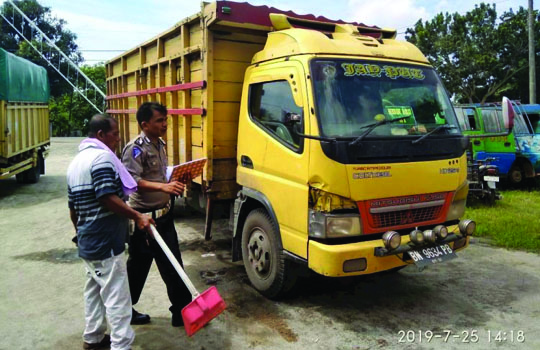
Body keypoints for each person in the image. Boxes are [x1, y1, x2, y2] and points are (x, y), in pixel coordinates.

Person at [67, 115, 154, 350]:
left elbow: (72, 208)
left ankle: (93, 339)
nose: (118, 138)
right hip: (104, 241)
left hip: (89, 240)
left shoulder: (76, 162)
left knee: (94, 291)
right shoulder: (102, 158)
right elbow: (106, 197)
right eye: (115, 134)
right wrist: (137, 216)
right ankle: (121, 345)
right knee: (117, 296)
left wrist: (80, 234)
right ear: (100, 135)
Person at [121, 102, 192, 327]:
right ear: (145, 124)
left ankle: (182, 312)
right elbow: (130, 182)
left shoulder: (160, 144)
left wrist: (174, 180)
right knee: (138, 267)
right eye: (160, 121)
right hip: (143, 219)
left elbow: (160, 176)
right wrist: (163, 188)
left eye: (165, 119)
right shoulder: (135, 148)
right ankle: (124, 311)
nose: (165, 124)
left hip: (163, 216)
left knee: (173, 264)